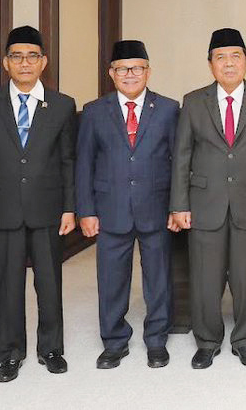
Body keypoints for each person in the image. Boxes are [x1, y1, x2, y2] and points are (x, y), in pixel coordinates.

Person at [0, 25, 77, 383]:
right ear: (5, 62)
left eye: (32, 56)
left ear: (43, 62)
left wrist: (69, 207)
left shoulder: (62, 105)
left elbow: (68, 161)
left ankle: (51, 349)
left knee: (49, 281)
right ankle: (10, 353)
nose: (24, 63)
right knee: (7, 284)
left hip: (48, 208)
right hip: (3, 209)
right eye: (16, 56)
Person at [170, 28, 246, 369]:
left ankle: (245, 339)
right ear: (210, 64)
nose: (229, 63)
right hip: (204, 203)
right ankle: (207, 341)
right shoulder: (193, 101)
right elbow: (182, 156)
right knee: (205, 277)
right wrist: (179, 205)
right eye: (221, 57)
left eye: (235, 56)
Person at [75, 40, 179, 370]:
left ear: (148, 71)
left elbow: (179, 161)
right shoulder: (94, 111)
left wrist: (177, 207)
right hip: (110, 210)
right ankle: (114, 341)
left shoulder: (168, 108)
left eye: (137, 68)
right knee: (111, 279)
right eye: (122, 69)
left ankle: (157, 339)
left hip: (157, 208)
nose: (130, 75)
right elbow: (84, 164)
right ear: (111, 73)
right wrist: (86, 211)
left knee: (159, 279)